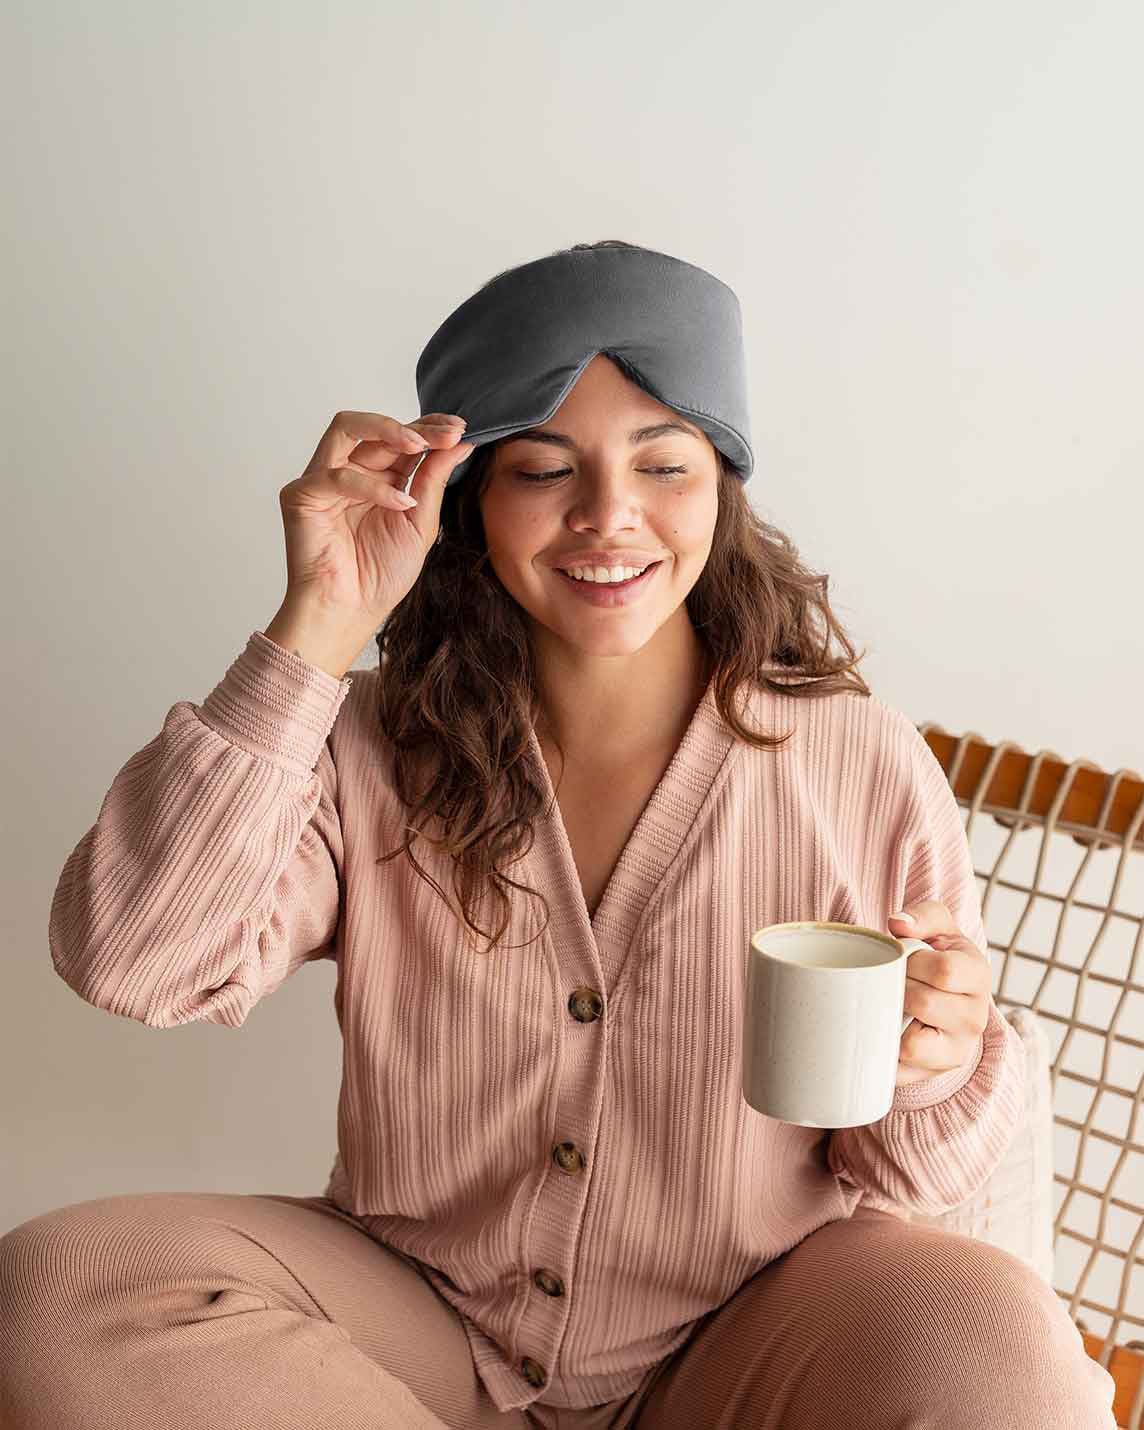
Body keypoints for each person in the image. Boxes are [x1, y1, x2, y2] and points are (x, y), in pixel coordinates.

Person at [0, 242, 1116, 1429]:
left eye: (664, 463)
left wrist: (935, 1064)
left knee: (993, 1339)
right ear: (468, 496)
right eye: (542, 468)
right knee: (66, 1288)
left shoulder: (859, 758)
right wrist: (317, 625)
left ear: (722, 488)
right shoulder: (363, 744)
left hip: (747, 1339)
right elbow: (138, 959)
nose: (607, 515)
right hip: (418, 1325)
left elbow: (909, 1174)